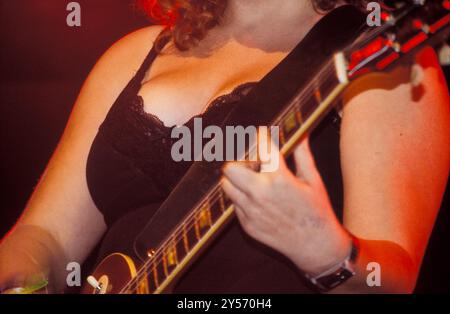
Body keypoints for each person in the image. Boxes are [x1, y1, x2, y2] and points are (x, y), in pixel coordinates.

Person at [0, 0, 449, 293]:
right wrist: (20, 279)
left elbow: (392, 281)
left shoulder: (372, 58)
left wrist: (326, 253)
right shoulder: (132, 55)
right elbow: (45, 238)